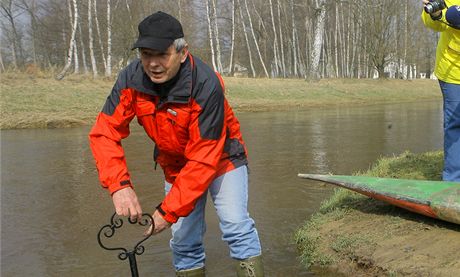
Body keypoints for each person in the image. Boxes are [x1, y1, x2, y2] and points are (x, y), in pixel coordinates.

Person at [89, 11, 264, 276]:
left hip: (222, 160)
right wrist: (119, 186)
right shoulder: (130, 80)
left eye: (162, 54)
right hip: (176, 166)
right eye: (146, 54)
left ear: (182, 53)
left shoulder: (206, 85)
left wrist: (167, 211)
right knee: (183, 240)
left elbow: (204, 160)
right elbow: (104, 132)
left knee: (235, 225)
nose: (153, 63)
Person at [421, 0, 460, 182]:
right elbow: (430, 21)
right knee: (455, 124)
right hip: (452, 71)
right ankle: (453, 182)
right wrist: (436, 15)